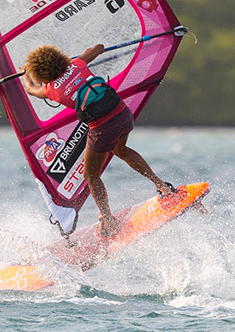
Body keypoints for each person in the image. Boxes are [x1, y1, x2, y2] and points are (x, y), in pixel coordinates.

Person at [21, 43, 175, 237]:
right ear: (59, 58)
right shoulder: (76, 64)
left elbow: (31, 89)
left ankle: (108, 219)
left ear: (41, 73)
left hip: (103, 128)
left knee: (91, 176)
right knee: (122, 151)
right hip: (123, 114)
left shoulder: (51, 90)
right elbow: (98, 47)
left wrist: (25, 73)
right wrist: (76, 60)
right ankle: (162, 186)